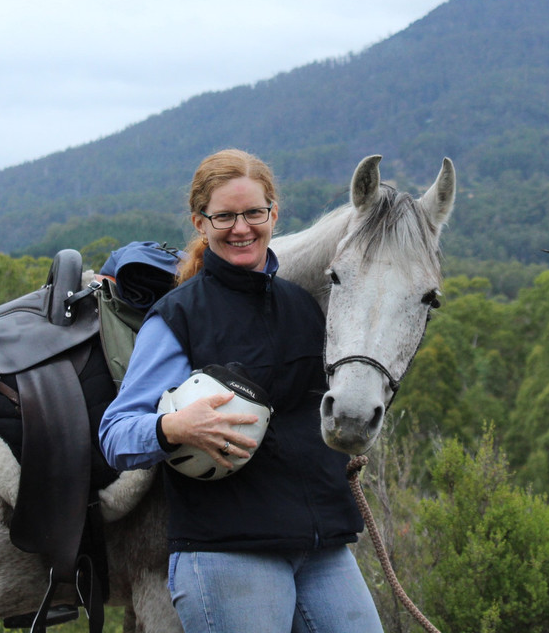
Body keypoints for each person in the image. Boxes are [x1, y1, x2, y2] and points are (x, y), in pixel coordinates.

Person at [99, 148, 384, 633]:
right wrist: (173, 427)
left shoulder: (304, 308)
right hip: (227, 551)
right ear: (200, 222)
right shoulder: (178, 315)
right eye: (224, 216)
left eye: (253, 213)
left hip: (322, 547)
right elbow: (115, 434)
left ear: (273, 214)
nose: (241, 228)